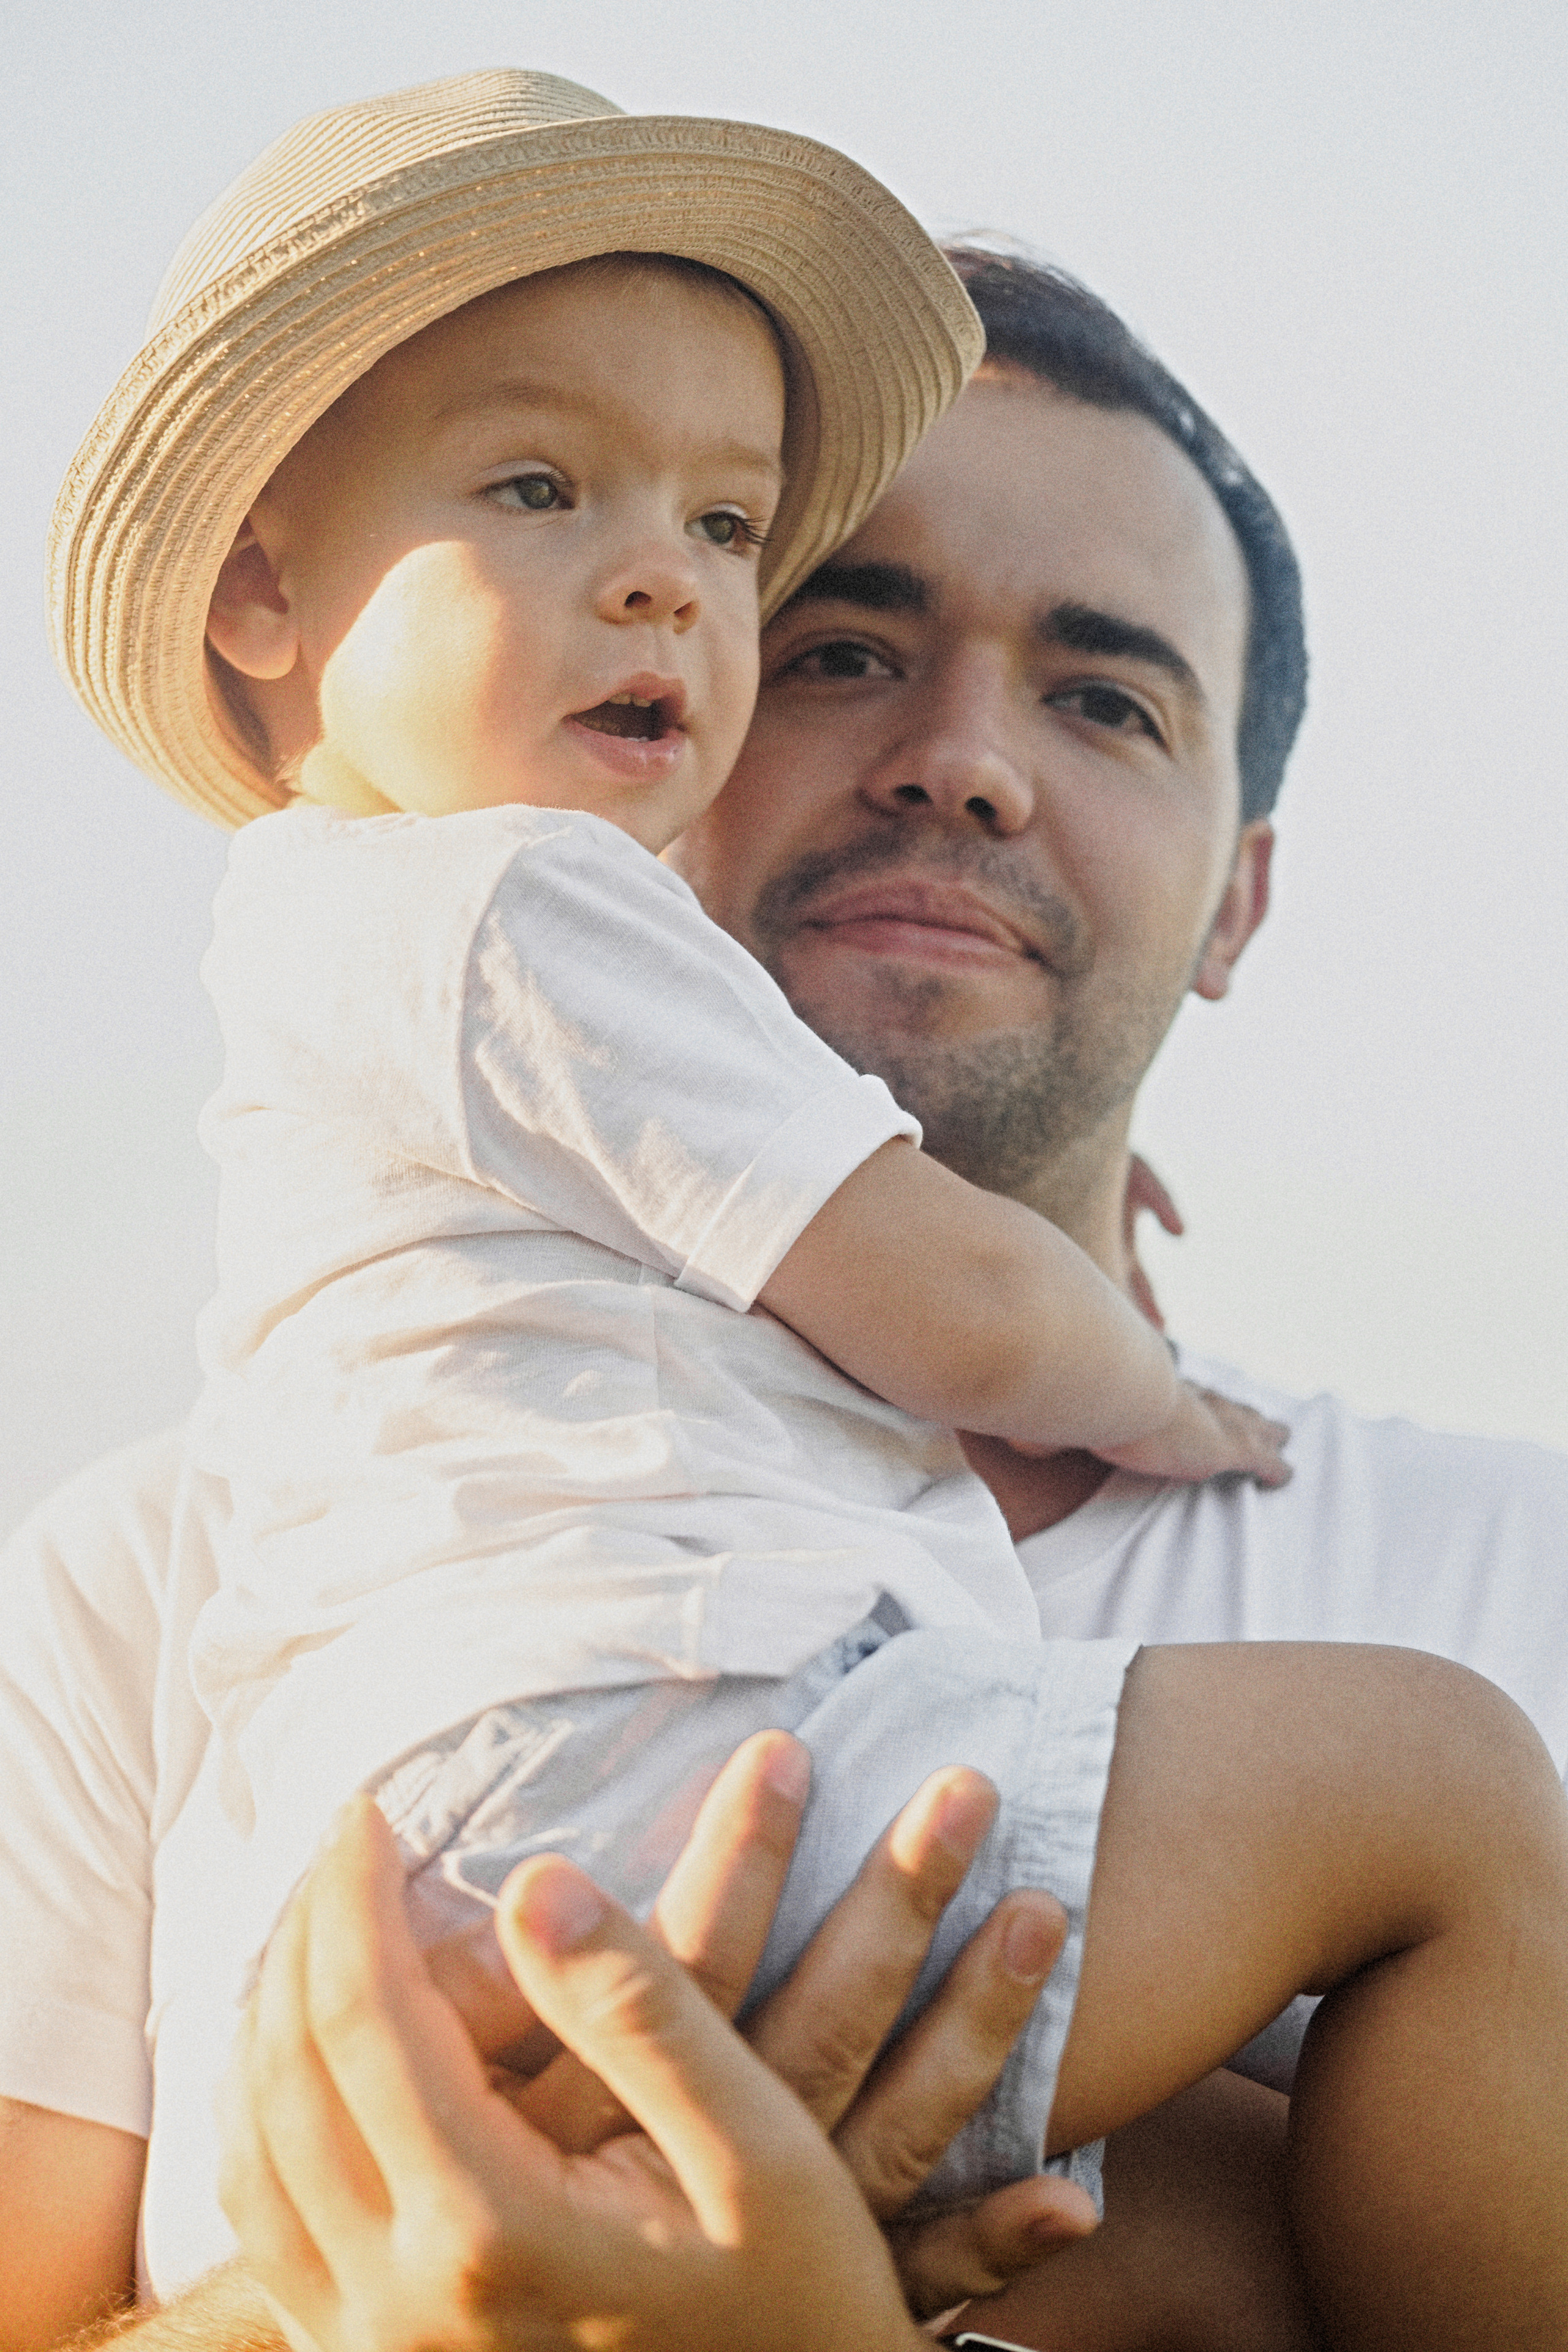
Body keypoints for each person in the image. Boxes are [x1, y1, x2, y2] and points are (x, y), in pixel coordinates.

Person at [7, 210, 1568, 2346]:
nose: (963, 758)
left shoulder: (1525, 1572)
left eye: (1105, 698)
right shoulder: (133, 1601)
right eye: (839, 649)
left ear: (1241, 900)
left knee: (1213, 2190)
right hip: (598, 1829)